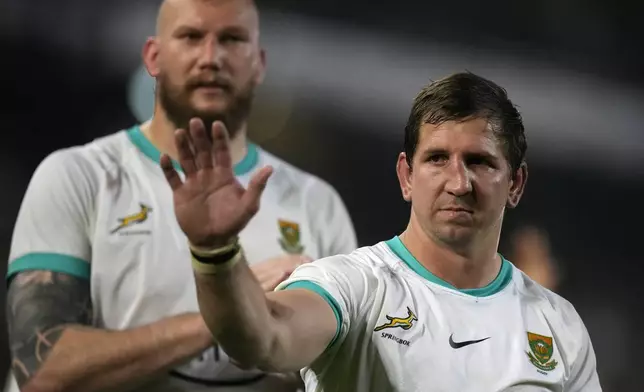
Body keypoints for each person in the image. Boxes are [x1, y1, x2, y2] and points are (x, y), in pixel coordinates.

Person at [164, 72, 602, 391]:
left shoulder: (558, 325)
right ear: (406, 176)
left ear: (516, 184)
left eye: (480, 162)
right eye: (436, 159)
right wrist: (215, 252)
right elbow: (264, 336)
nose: (458, 182)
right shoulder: (353, 286)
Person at [4, 0, 356, 391]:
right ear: (153, 57)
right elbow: (43, 371)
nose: (210, 57)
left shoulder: (316, 204)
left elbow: (345, 373)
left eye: (232, 39)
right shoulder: (80, 177)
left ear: (258, 63)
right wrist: (235, 309)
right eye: (191, 37)